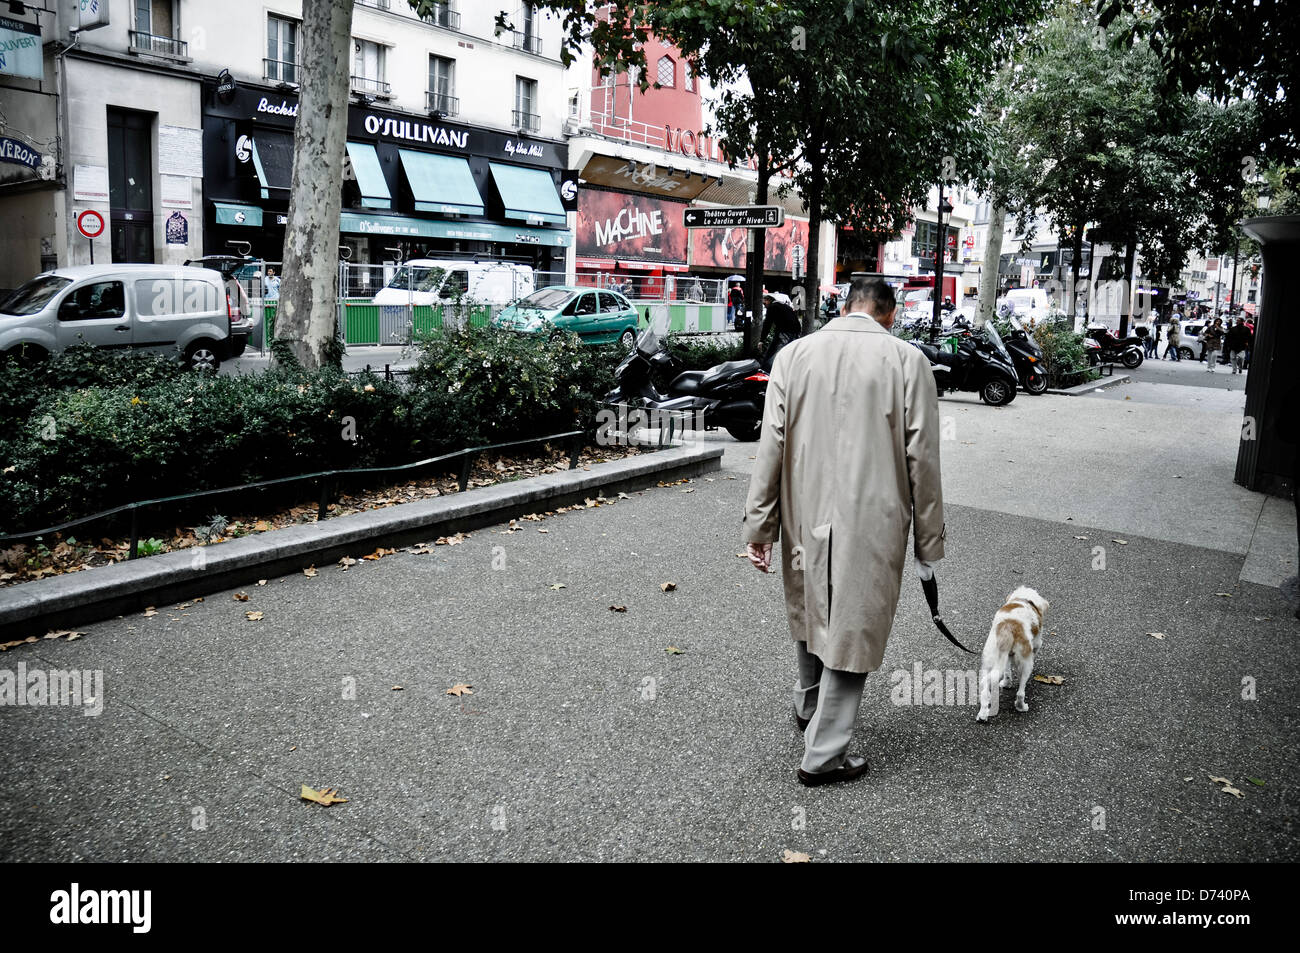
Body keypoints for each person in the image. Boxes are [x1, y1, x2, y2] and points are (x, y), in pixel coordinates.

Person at [742, 277, 946, 786]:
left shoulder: (793, 356)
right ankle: (824, 755)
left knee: (814, 602)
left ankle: (810, 705)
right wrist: (928, 538)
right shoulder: (907, 362)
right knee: (855, 620)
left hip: (804, 511)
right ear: (889, 314)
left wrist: (759, 526)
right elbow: (923, 458)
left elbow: (771, 445)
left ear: (845, 306)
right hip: (873, 517)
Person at [759, 291, 802, 369]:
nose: (764, 306)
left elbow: (767, 324)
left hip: (784, 332)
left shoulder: (772, 307)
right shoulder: (785, 306)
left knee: (775, 354)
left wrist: (762, 340)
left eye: (764, 303)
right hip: (795, 332)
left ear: (768, 300)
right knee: (788, 353)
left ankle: (767, 370)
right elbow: (796, 320)